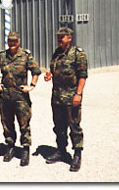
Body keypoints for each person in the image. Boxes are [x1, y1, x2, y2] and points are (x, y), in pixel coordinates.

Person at [0, 31, 41, 166]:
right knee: (7, 124)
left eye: (15, 41)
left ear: (19, 41)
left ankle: (25, 150)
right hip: (5, 97)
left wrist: (32, 85)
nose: (12, 43)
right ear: (8, 42)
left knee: (24, 124)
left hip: (21, 98)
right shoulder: (2, 56)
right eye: (10, 41)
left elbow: (36, 71)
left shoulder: (25, 56)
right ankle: (10, 147)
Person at [45, 27, 88, 172]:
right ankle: (61, 151)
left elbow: (83, 76)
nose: (59, 39)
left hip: (71, 97)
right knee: (59, 127)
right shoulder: (57, 53)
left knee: (74, 127)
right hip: (57, 97)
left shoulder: (78, 54)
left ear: (69, 38)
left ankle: (77, 155)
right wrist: (49, 75)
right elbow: (53, 69)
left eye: (61, 36)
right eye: (58, 36)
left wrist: (78, 94)